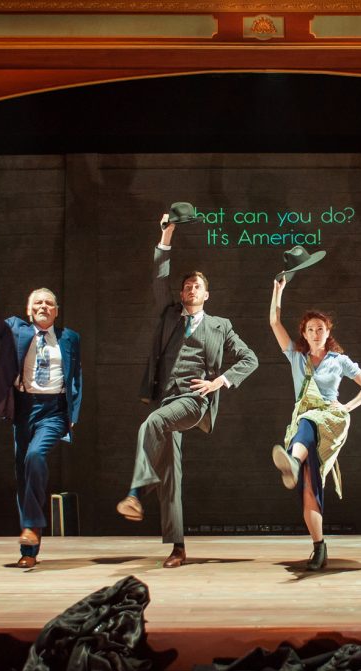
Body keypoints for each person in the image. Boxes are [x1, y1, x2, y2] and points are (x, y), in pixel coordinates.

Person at [115, 212, 259, 568]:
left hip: (194, 401)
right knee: (171, 475)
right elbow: (159, 276)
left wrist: (218, 382)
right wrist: (167, 235)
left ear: (207, 294)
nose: (191, 288)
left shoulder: (220, 325)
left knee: (150, 425)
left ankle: (135, 493)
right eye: (187, 285)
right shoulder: (169, 315)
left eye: (197, 285)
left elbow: (250, 358)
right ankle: (178, 546)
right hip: (168, 397)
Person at [0, 253, 82, 569]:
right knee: (23, 473)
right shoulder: (15, 330)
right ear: (29, 310)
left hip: (54, 411)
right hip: (24, 408)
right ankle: (29, 552)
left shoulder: (70, 338)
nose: (43, 307)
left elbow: (76, 378)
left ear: (56, 311)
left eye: (49, 303)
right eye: (37, 303)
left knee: (35, 457)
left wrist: (73, 414)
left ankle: (30, 527)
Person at [269, 278, 361, 570]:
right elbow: (274, 321)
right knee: (309, 485)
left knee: (309, 421)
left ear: (328, 332)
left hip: (328, 421)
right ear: (304, 333)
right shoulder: (296, 357)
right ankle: (319, 547)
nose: (316, 333)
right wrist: (278, 291)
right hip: (303, 425)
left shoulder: (338, 360)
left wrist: (347, 406)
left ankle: (292, 461)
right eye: (310, 329)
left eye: (321, 328)